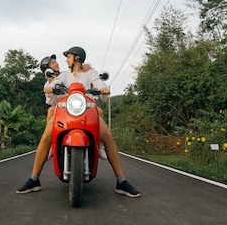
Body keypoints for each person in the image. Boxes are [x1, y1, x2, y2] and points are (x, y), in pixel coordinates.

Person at [16, 46, 141, 198]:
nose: (66, 60)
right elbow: (55, 83)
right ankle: (34, 179)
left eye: (68, 57)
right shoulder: (64, 75)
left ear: (76, 58)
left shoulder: (90, 72)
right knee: (47, 135)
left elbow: (98, 83)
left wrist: (103, 89)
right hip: (65, 112)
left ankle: (121, 181)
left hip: (87, 110)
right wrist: (50, 87)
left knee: (107, 135)